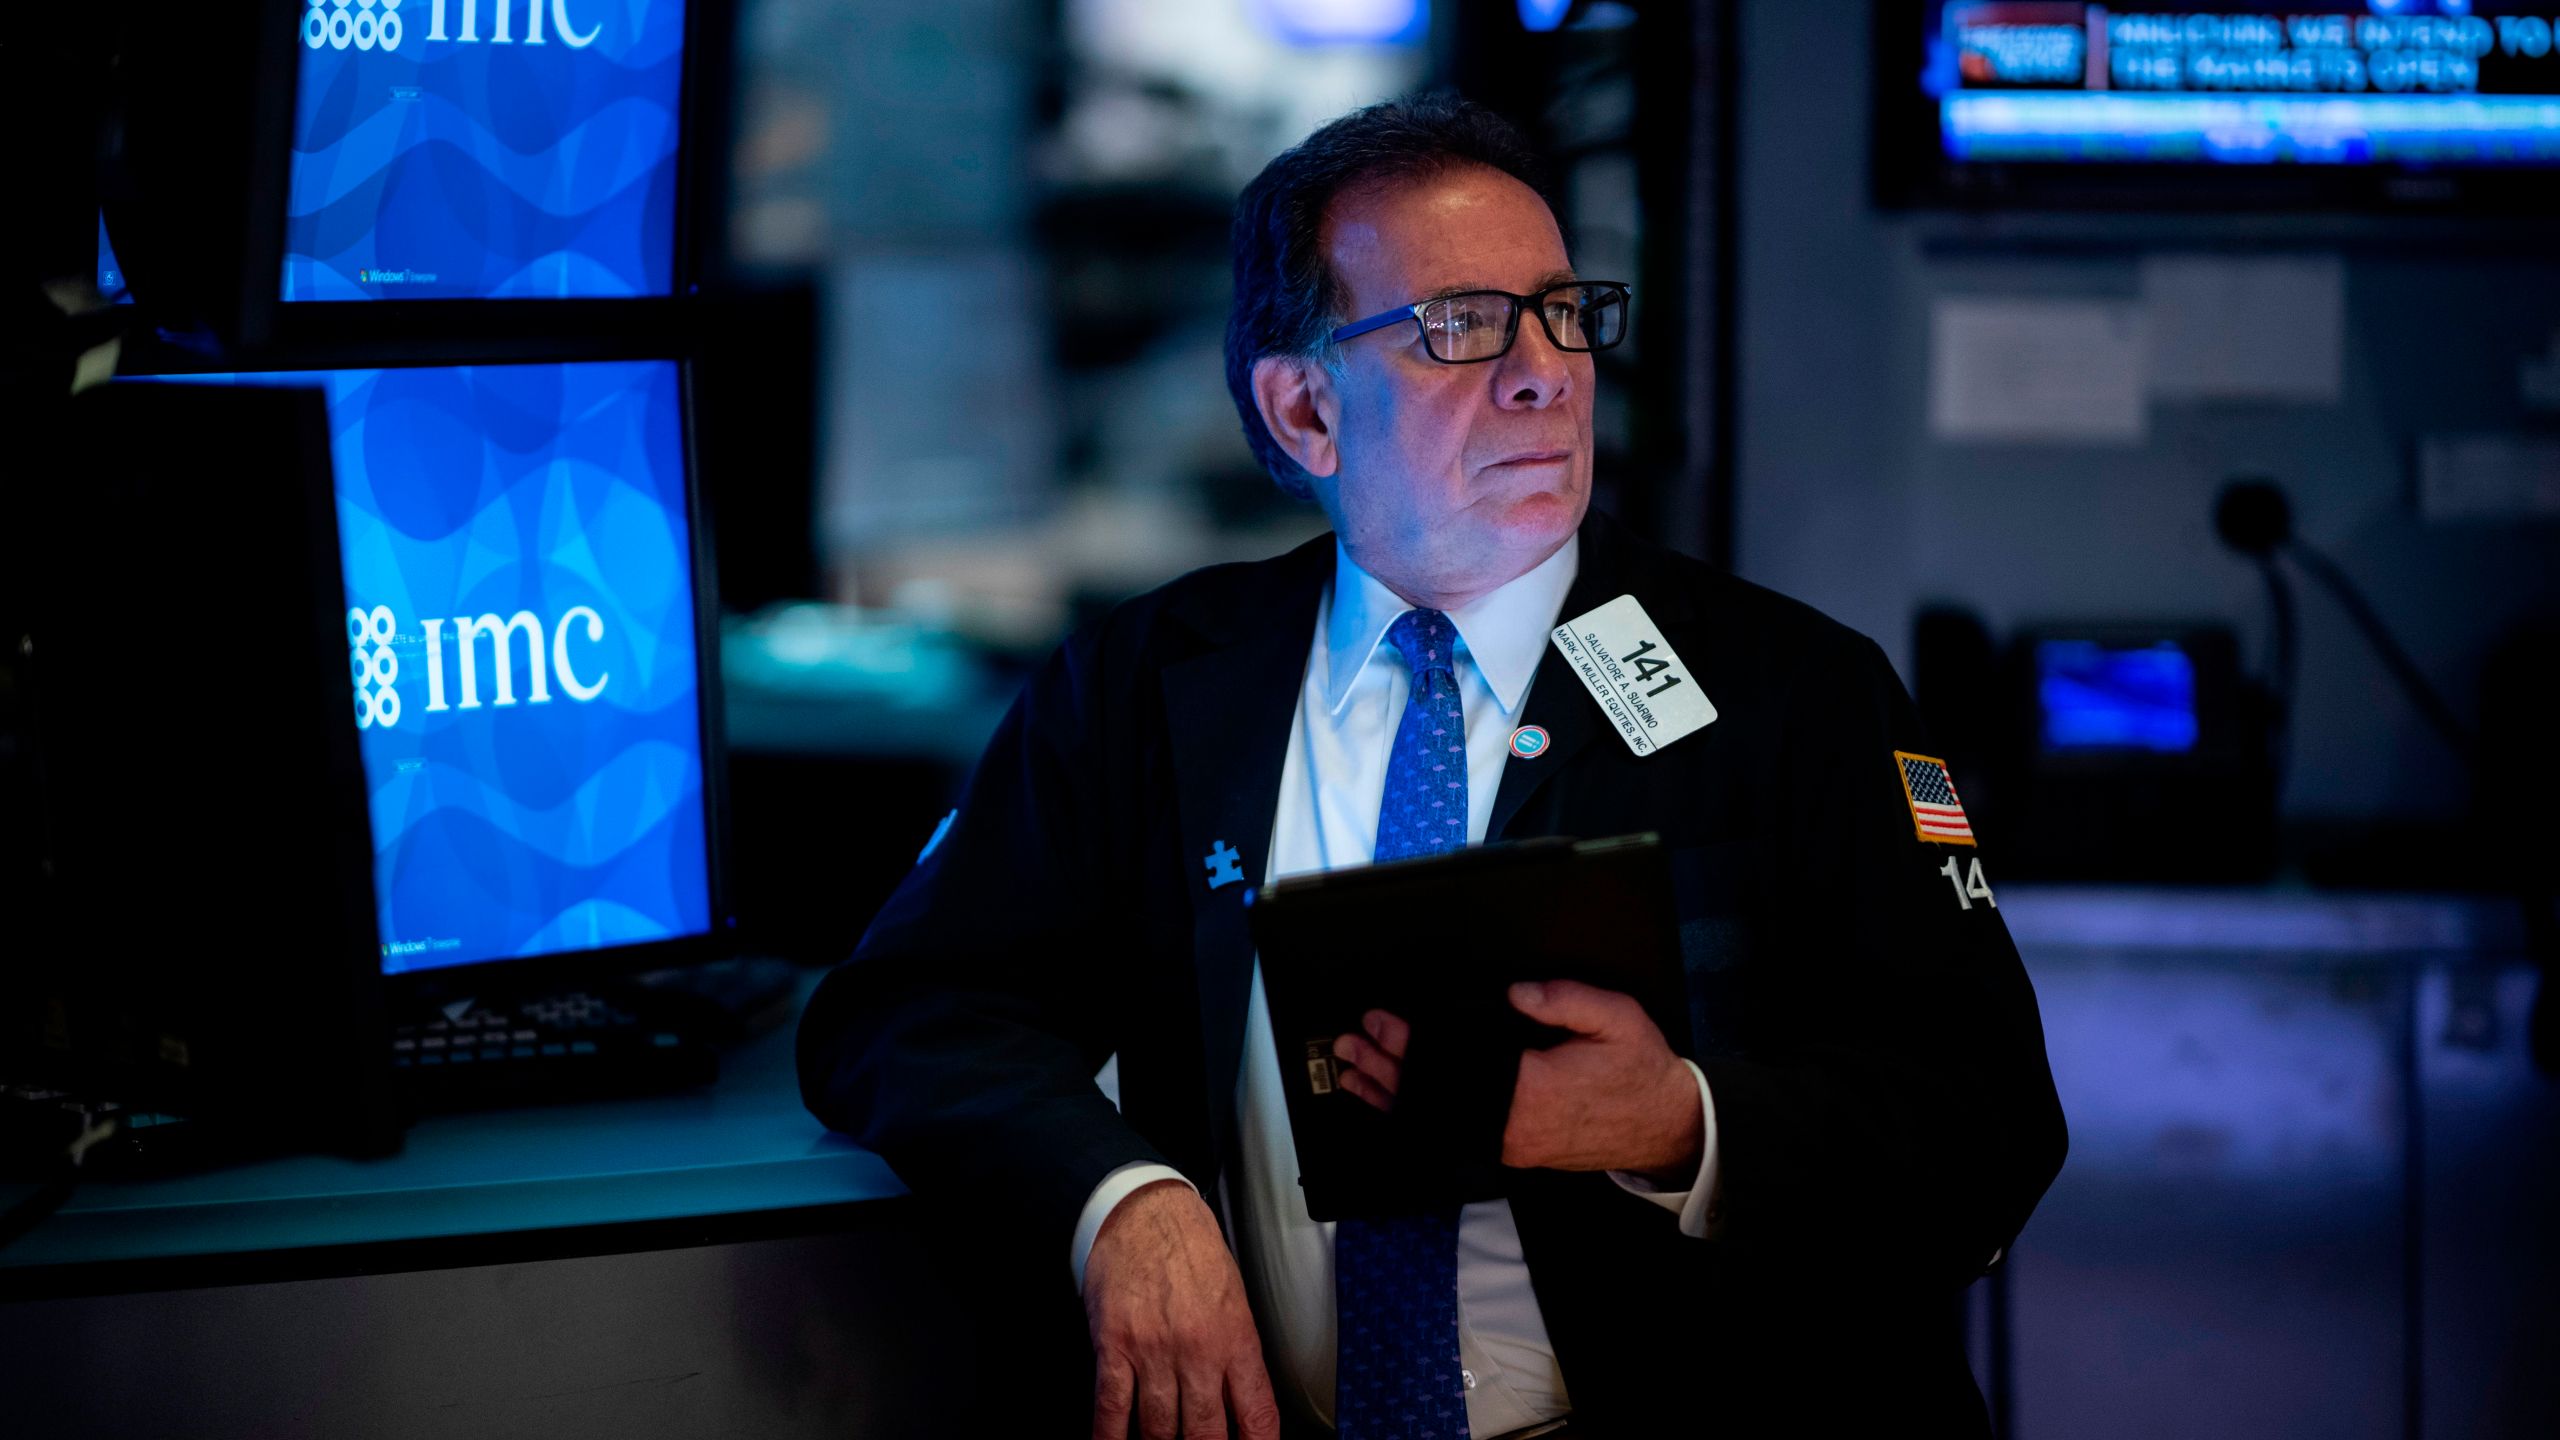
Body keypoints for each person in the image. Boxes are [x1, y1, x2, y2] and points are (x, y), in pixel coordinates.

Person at [798, 95, 2067, 1439]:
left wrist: (1682, 1123)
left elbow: (1988, 1132)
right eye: (1461, 327)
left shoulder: (1793, 692)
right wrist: (1122, 1201)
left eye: (1564, 311)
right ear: (1304, 411)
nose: (1547, 372)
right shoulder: (1155, 686)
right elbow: (906, 1012)